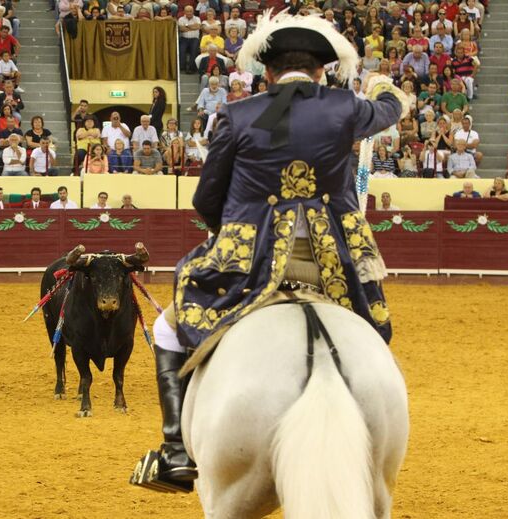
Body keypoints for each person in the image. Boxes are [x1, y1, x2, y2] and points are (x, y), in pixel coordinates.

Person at [131, 12, 404, 493]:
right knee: (369, 331)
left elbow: (205, 200)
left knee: (167, 330)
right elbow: (388, 110)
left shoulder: (239, 114)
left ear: (269, 72)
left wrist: (231, 232)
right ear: (321, 71)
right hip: (332, 265)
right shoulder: (345, 107)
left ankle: (175, 452)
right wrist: (382, 86)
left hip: (250, 264)